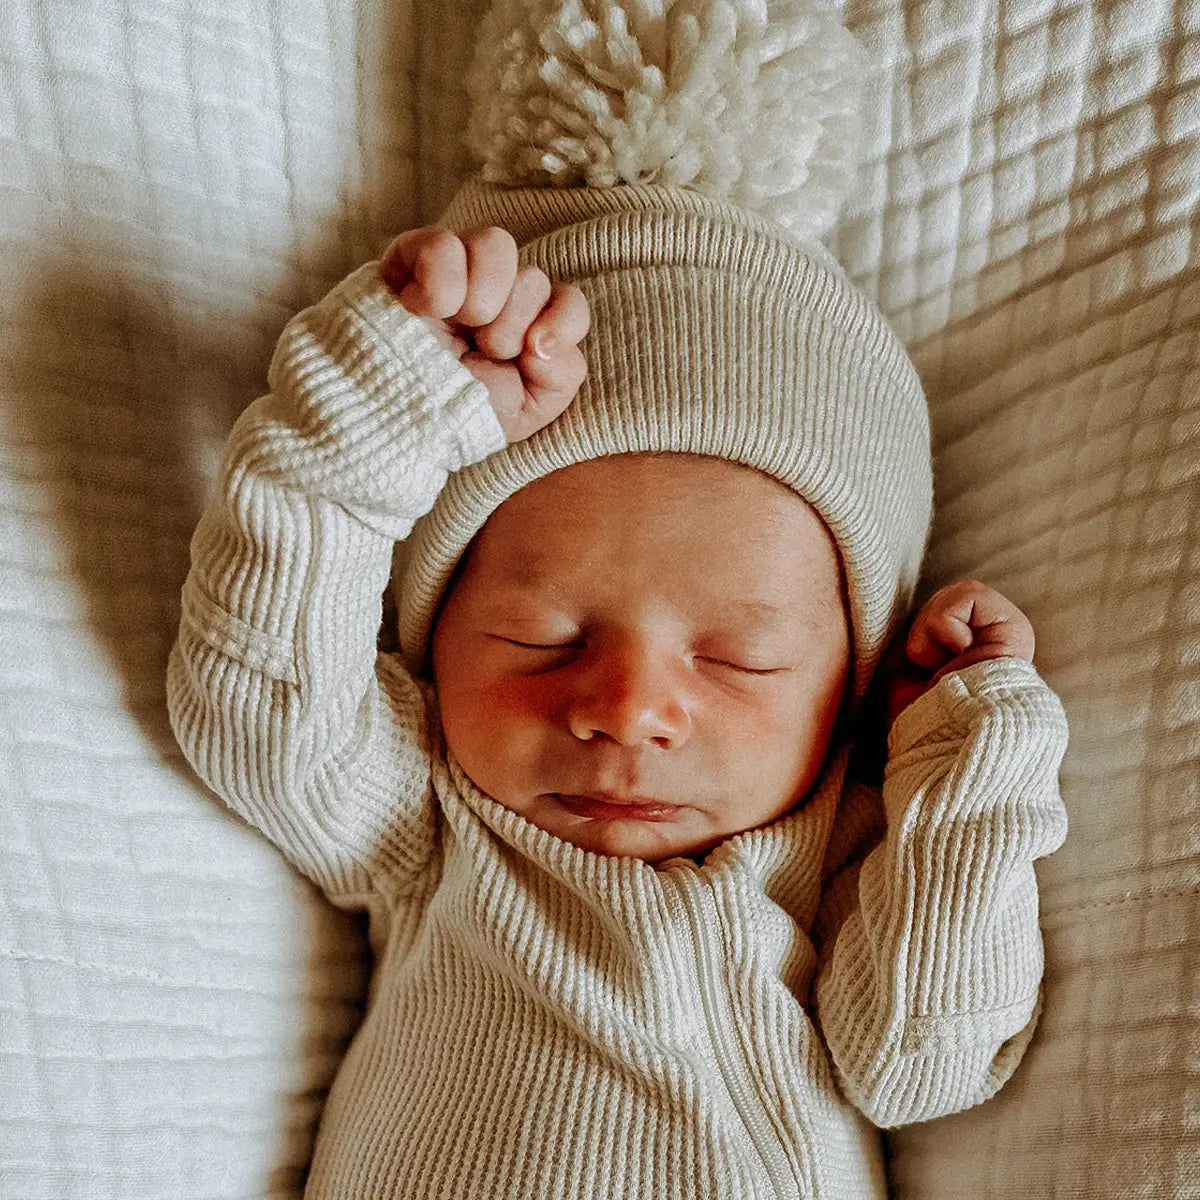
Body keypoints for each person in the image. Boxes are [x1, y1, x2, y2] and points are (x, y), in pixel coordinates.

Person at [167, 4, 1069, 1196]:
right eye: (541, 638)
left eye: (739, 657)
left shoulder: (842, 857)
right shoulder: (430, 823)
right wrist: (376, 415)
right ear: (434, 638)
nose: (628, 710)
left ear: (851, 682)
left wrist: (965, 763)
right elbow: (254, 699)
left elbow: (922, 1065)